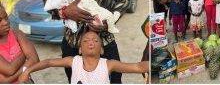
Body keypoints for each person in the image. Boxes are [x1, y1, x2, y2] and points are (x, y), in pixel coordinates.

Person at [18, 30, 149, 84]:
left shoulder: (109, 64)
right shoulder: (73, 61)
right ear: (79, 49)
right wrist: (28, 71)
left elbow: (137, 66)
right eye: (85, 41)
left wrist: (155, 63)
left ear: (102, 50)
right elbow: (49, 62)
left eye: (96, 41)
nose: (91, 42)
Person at [44, 0, 120, 34]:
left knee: (108, 15)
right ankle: (111, 22)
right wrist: (63, 12)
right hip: (72, 40)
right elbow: (50, 0)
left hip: (105, 39)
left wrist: (106, 25)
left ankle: (111, 23)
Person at [0, 2, 39, 83]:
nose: (5, 22)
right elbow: (9, 71)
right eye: (0, 20)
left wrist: (11, 77)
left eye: (6, 18)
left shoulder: (17, 34)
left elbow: (35, 59)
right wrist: (25, 55)